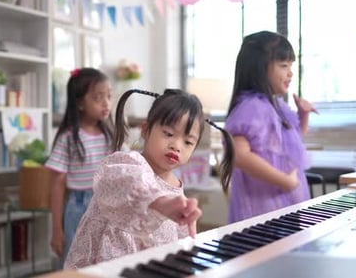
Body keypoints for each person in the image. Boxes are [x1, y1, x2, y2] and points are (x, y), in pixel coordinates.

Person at [64, 88, 235, 269]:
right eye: (168, 134)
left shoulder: (177, 189)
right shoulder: (129, 162)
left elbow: (179, 239)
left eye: (188, 142)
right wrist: (159, 202)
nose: (176, 146)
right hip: (100, 269)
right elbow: (125, 183)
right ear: (145, 130)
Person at [225, 30, 318, 223]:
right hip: (262, 208)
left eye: (291, 65)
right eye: (284, 65)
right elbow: (240, 156)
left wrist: (303, 115)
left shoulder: (277, 106)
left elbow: (290, 144)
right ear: (259, 69)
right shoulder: (252, 108)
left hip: (284, 202)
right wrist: (285, 181)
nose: (291, 73)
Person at [44, 67, 114, 268]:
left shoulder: (110, 135)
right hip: (78, 207)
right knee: (75, 262)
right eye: (98, 97)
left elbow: (131, 162)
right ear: (79, 103)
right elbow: (57, 185)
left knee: (105, 261)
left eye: (109, 96)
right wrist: (56, 229)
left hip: (106, 204)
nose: (106, 103)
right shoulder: (68, 138)